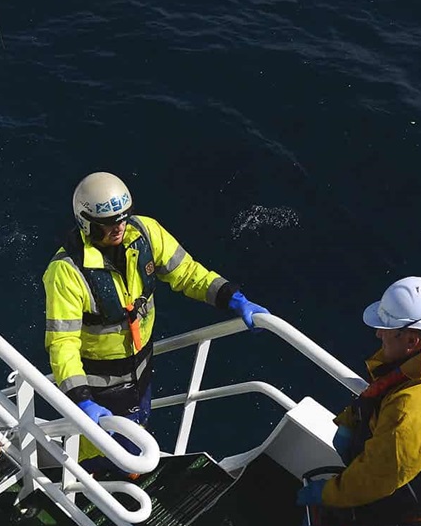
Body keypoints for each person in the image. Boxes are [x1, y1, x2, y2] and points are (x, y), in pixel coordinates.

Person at [43, 172, 269, 473]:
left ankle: (127, 475)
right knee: (97, 452)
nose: (119, 227)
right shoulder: (67, 273)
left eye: (124, 218)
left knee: (136, 436)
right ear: (87, 223)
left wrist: (232, 298)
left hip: (141, 371)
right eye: (109, 223)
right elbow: (63, 345)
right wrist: (81, 399)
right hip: (100, 386)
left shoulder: (145, 233)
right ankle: (91, 485)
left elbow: (187, 273)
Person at [290, 276, 421, 526]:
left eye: (386, 329)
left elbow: (377, 477)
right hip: (396, 498)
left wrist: (329, 493)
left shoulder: (418, 411)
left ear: (412, 339)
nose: (378, 334)